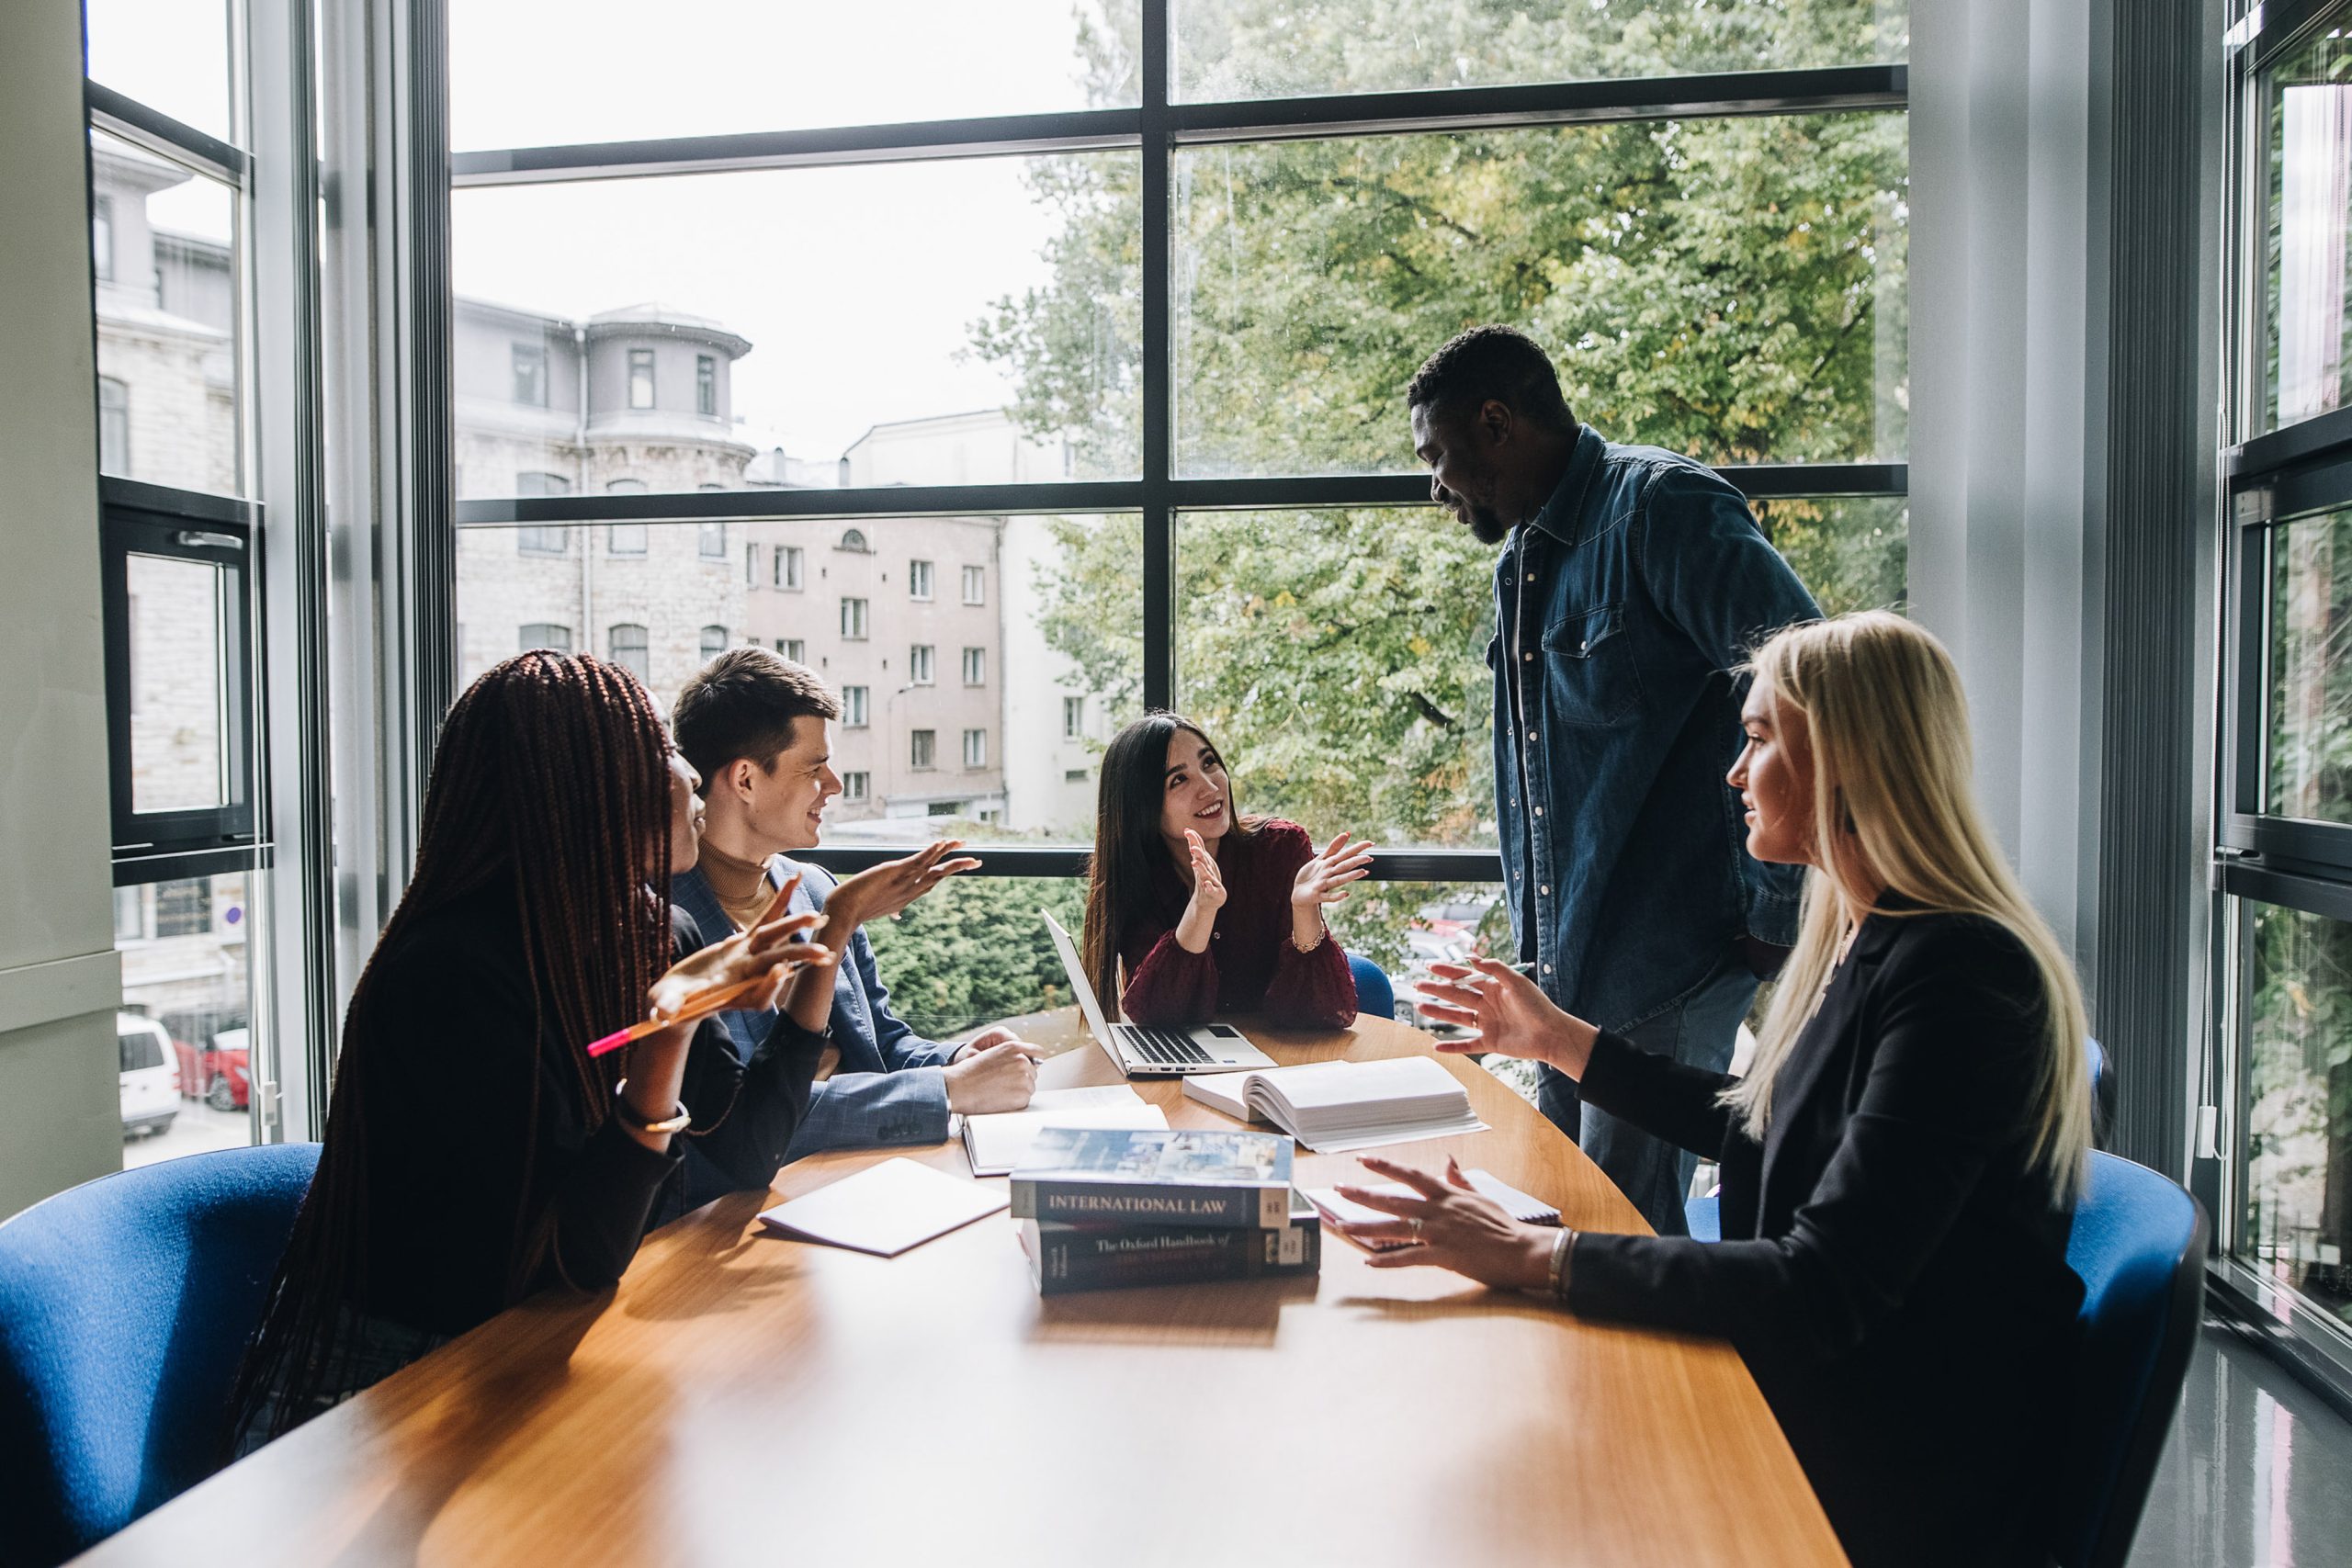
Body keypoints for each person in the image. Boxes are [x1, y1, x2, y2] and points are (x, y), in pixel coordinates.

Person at [1331, 613, 2095, 1568]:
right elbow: (1765, 1127)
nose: (1735, 771)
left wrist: (1538, 1256)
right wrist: (1559, 1040)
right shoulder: (1873, 936)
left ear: (1849, 758)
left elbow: (1818, 1288)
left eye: (1761, 736)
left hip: (1880, 1478)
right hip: (1831, 1397)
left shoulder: (1960, 976)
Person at [229, 652, 833, 1452]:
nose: (690, 771)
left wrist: (830, 939)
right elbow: (564, 1263)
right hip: (385, 1389)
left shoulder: (652, 933)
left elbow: (751, 1143)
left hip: (530, 1350)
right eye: (657, 750)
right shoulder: (448, 976)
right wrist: (669, 1034)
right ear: (582, 786)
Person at [1406, 323, 1823, 1234]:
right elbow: (1538, 786)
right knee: (1568, 1221)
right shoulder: (1521, 563)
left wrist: (1771, 916)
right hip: (1565, 975)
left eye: (1439, 456)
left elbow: (1806, 693)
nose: (1435, 486)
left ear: (1495, 422)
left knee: (1629, 1243)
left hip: (1669, 962)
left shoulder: (1661, 509)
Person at [662, 649, 1043, 1214]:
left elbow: (881, 1044)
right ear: (744, 779)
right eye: (814, 768)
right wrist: (950, 1090)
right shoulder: (665, 925)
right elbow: (752, 1121)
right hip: (738, 1219)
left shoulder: (815, 887)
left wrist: (958, 1056)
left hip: (858, 1189)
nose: (835, 784)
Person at [1081, 712, 1370, 1031]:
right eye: (1178, 779)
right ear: (1142, 808)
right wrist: (1202, 910)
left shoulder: (1280, 848)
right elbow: (1155, 1015)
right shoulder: (1138, 878)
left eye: (1208, 763)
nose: (1209, 787)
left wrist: (1304, 911)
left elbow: (1323, 1015)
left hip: (1280, 1067)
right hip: (1186, 1073)